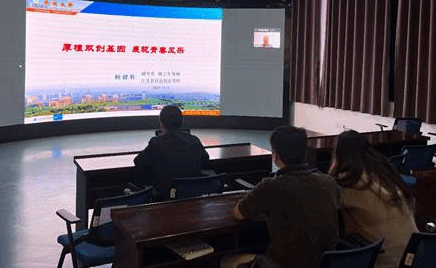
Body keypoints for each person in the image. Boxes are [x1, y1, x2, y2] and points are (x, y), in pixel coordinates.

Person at [226, 126, 341, 268]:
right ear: (304, 153)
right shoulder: (329, 182)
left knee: (227, 260)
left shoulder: (270, 186)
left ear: (275, 155)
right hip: (325, 264)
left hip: (282, 264)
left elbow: (238, 214)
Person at [329, 130, 418, 268]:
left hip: (385, 262)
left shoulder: (348, 183)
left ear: (338, 156)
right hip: (416, 257)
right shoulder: (386, 174)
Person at [134, 105, 210, 200]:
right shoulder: (194, 140)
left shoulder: (156, 143)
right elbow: (205, 160)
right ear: (182, 122)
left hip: (165, 200)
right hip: (193, 199)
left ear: (161, 124)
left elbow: (138, 161)